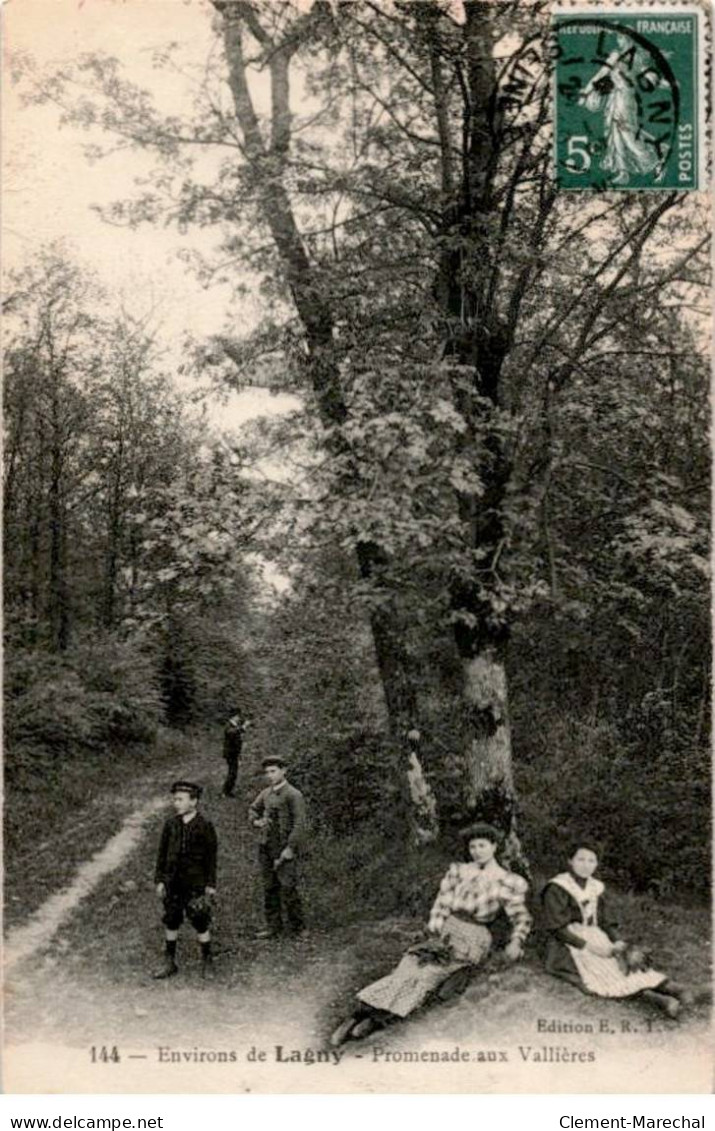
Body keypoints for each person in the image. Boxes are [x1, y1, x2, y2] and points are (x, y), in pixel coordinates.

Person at [330, 823, 532, 1045]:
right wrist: (435, 929)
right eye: (473, 846)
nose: (476, 850)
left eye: (482, 845)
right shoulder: (459, 871)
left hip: (474, 938)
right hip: (448, 927)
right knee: (408, 968)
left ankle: (377, 1021)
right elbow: (442, 903)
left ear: (494, 847)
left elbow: (521, 917)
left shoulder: (508, 881)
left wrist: (516, 941)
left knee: (427, 978)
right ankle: (356, 1016)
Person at [541, 843, 692, 1017]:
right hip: (568, 942)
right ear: (570, 861)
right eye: (580, 859)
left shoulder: (595, 887)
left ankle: (674, 989)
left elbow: (605, 922)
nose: (585, 864)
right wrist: (592, 948)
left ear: (596, 864)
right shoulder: (558, 887)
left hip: (595, 935)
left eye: (591, 860)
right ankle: (657, 999)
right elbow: (557, 928)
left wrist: (617, 941)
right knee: (600, 970)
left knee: (621, 961)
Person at [578, 34, 666, 186]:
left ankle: (657, 158)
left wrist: (664, 82)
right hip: (614, 97)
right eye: (619, 39)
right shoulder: (615, 55)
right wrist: (586, 92)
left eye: (623, 38)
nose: (620, 41)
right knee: (614, 133)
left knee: (628, 134)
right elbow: (600, 74)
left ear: (630, 40)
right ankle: (622, 171)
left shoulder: (638, 58)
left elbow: (650, 77)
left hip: (627, 100)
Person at [153, 780, 218, 980]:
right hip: (173, 882)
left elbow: (211, 857)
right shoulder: (171, 824)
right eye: (175, 799)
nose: (176, 803)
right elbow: (162, 854)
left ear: (194, 801)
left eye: (181, 799)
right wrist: (160, 880)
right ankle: (169, 961)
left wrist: (210, 884)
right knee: (171, 919)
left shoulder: (204, 826)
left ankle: (207, 960)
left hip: (194, 883)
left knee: (200, 919)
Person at [248, 756, 307, 939]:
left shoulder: (293, 794)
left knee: (288, 887)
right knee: (269, 887)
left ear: (284, 771)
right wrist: (257, 821)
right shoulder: (266, 793)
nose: (270, 776)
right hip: (266, 846)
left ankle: (298, 928)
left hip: (284, 846)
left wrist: (290, 848)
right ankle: (273, 927)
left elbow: (300, 824)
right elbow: (252, 809)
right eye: (267, 772)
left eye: (273, 771)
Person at [221, 708, 250, 798]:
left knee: (233, 773)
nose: (239, 718)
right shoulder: (229, 726)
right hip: (231, 754)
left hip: (234, 753)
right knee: (232, 773)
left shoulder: (233, 726)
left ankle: (227, 791)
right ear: (234, 717)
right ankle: (226, 792)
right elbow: (232, 733)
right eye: (238, 716)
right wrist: (243, 727)